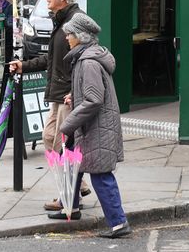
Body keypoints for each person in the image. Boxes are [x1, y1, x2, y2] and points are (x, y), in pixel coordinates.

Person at [8, 0, 89, 211]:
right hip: (57, 94)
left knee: (64, 145)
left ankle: (69, 196)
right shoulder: (61, 20)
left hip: (68, 96)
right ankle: (77, 183)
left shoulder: (75, 21)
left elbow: (87, 60)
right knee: (49, 138)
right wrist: (25, 65)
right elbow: (52, 59)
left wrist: (76, 92)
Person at [55, 13, 131, 239]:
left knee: (100, 174)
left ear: (80, 36)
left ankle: (119, 223)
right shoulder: (85, 58)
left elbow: (94, 99)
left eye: (70, 34)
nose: (67, 37)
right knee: (72, 162)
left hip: (96, 127)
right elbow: (91, 93)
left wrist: (67, 124)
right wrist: (74, 96)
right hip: (90, 126)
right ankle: (70, 206)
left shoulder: (87, 62)